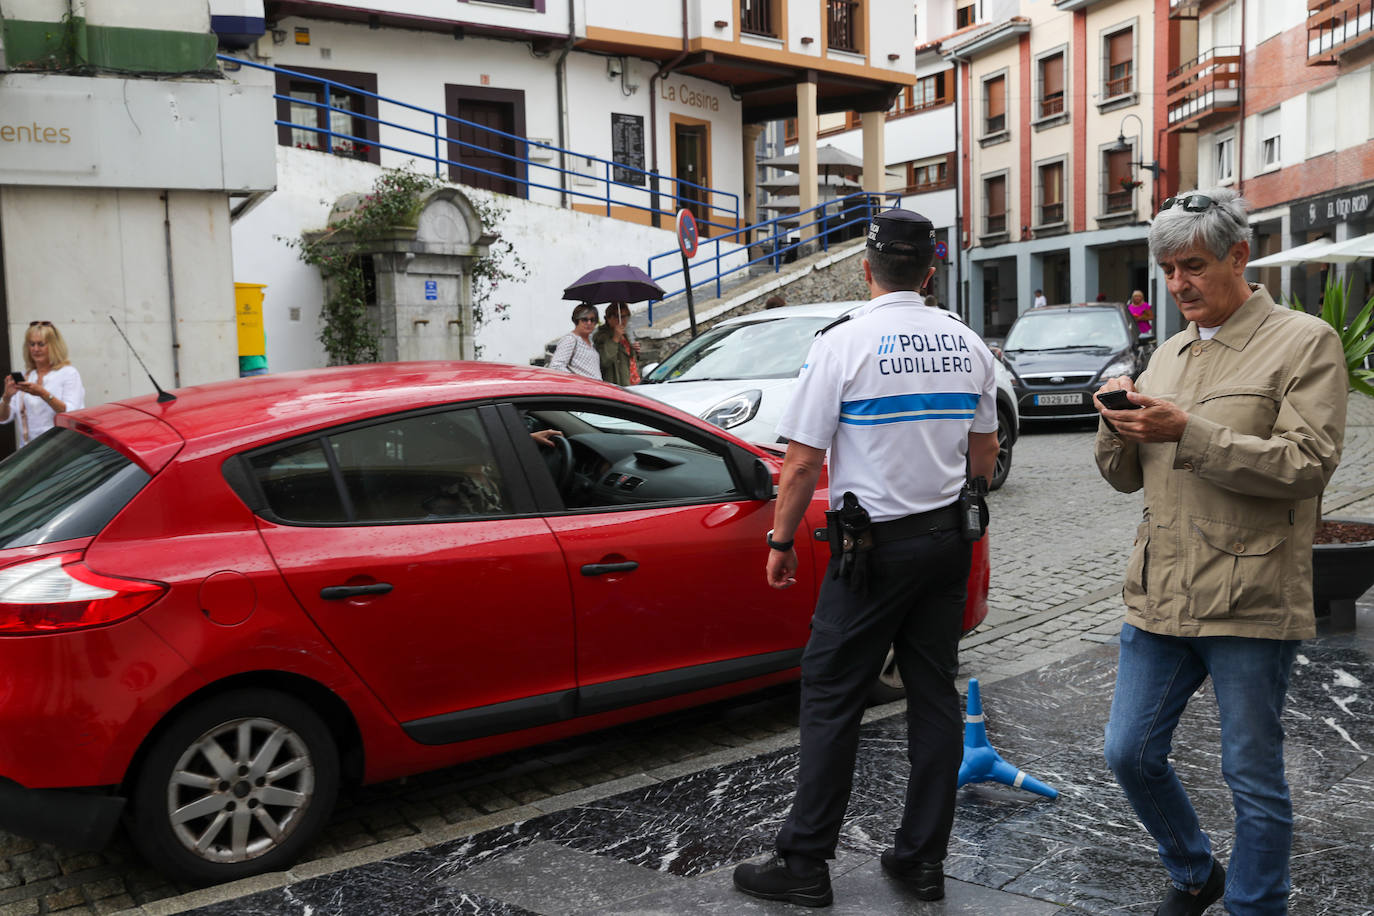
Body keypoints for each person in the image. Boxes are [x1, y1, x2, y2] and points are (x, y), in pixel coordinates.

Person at [732, 209, 1000, 908]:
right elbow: (986, 452)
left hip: (871, 551)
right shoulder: (968, 344)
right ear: (932, 271)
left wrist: (781, 542)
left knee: (829, 695)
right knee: (934, 699)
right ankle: (921, 861)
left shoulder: (843, 344)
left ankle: (804, 863)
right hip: (947, 545)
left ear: (867, 268)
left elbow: (799, 465)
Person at [1093, 189, 1347, 916]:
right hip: (1159, 595)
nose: (1179, 286)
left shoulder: (1304, 342)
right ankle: (1194, 871)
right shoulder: (1167, 351)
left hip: (1251, 596)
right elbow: (1120, 480)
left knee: (1251, 775)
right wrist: (1116, 420)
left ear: (1240, 255)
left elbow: (1307, 465)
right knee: (1128, 753)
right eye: (1168, 270)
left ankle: (1256, 907)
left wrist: (1188, 433)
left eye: (1193, 266)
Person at [1, 320, 86, 448]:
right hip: (29, 451)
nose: (35, 349)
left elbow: (71, 413)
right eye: (32, 344)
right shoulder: (26, 376)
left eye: (41, 344)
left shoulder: (68, 373)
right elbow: (3, 418)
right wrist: (6, 398)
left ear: (53, 346)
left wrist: (42, 393)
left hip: (62, 448)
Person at [592, 301, 640, 385]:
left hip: (633, 383)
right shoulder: (602, 337)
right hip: (618, 385)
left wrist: (635, 351)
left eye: (625, 316)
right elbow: (605, 361)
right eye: (617, 316)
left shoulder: (625, 334)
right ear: (608, 318)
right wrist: (615, 339)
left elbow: (629, 360)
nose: (621, 320)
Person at [547, 304, 601, 379]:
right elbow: (556, 366)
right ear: (576, 320)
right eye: (584, 319)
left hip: (597, 387)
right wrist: (579, 380)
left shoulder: (591, 341)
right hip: (582, 388)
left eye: (592, 320)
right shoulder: (570, 339)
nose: (589, 323)